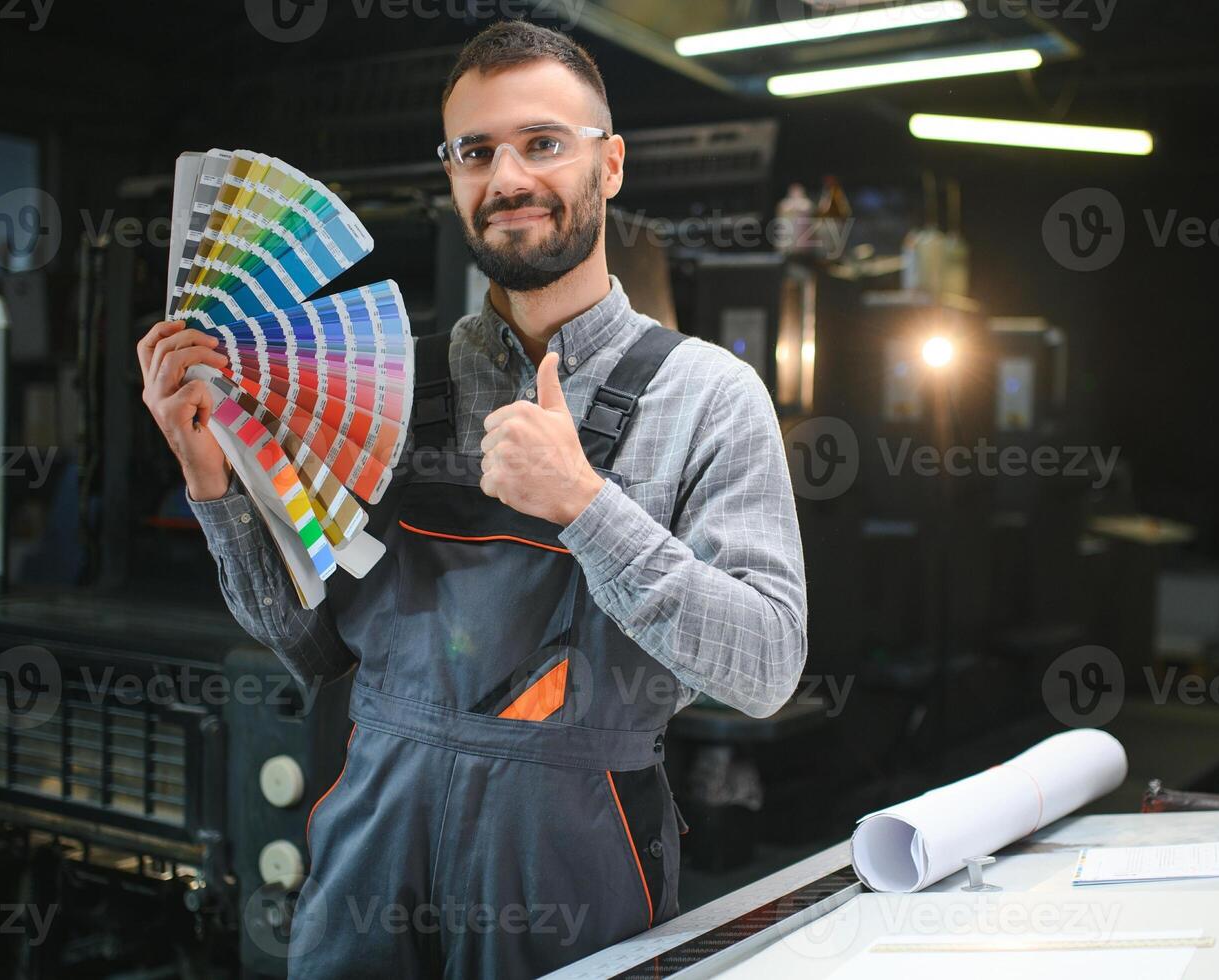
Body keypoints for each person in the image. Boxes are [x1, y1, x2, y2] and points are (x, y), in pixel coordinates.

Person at [136, 20, 806, 978]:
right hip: (373, 848)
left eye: (543, 143)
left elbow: (767, 666)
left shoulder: (705, 396)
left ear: (608, 165)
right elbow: (316, 648)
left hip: (568, 862)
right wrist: (212, 484)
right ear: (450, 174)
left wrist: (583, 503)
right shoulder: (385, 384)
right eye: (475, 151)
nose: (507, 179)